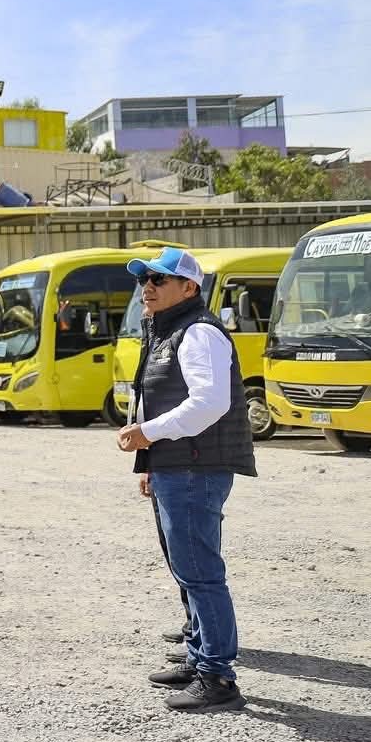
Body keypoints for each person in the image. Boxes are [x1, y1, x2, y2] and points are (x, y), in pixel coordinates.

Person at [118, 246, 256, 713]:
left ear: (188, 288)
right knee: (188, 570)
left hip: (197, 467)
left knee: (200, 573)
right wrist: (152, 462)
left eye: (159, 279)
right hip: (178, 466)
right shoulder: (169, 329)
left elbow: (208, 403)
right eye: (143, 280)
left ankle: (217, 676)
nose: (148, 288)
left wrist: (147, 434)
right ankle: (200, 658)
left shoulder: (197, 332)